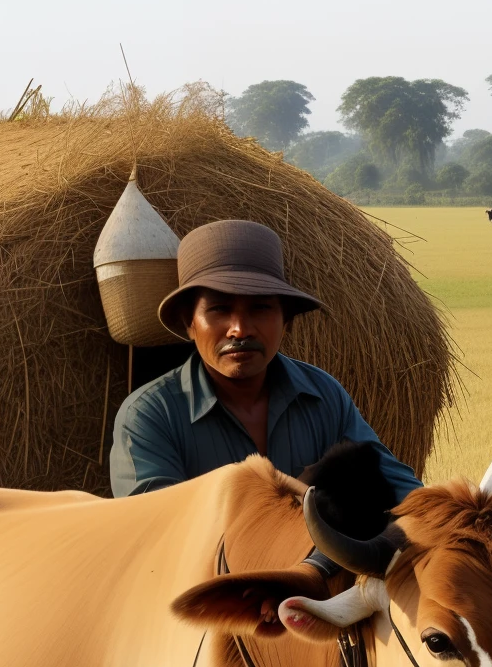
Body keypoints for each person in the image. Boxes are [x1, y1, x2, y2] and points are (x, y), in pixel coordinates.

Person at [109, 219, 422, 512]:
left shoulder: (324, 396)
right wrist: (290, 496)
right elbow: (159, 528)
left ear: (285, 321)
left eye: (259, 308)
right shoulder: (148, 416)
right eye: (219, 309)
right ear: (189, 324)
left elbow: (399, 487)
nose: (240, 330)